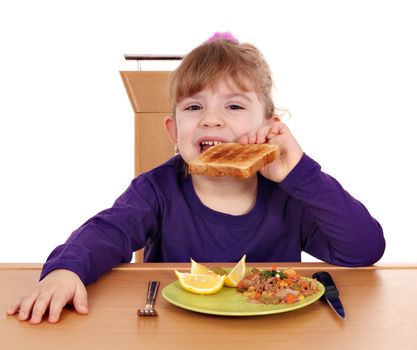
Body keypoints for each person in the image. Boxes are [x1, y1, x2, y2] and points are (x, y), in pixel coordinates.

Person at [7, 32, 385, 324]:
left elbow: (363, 248)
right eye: (194, 106)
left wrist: (301, 172)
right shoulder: (156, 189)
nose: (211, 119)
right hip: (173, 331)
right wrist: (65, 271)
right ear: (174, 131)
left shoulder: (290, 194)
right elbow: (106, 232)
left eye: (234, 105)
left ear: (270, 126)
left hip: (273, 334)